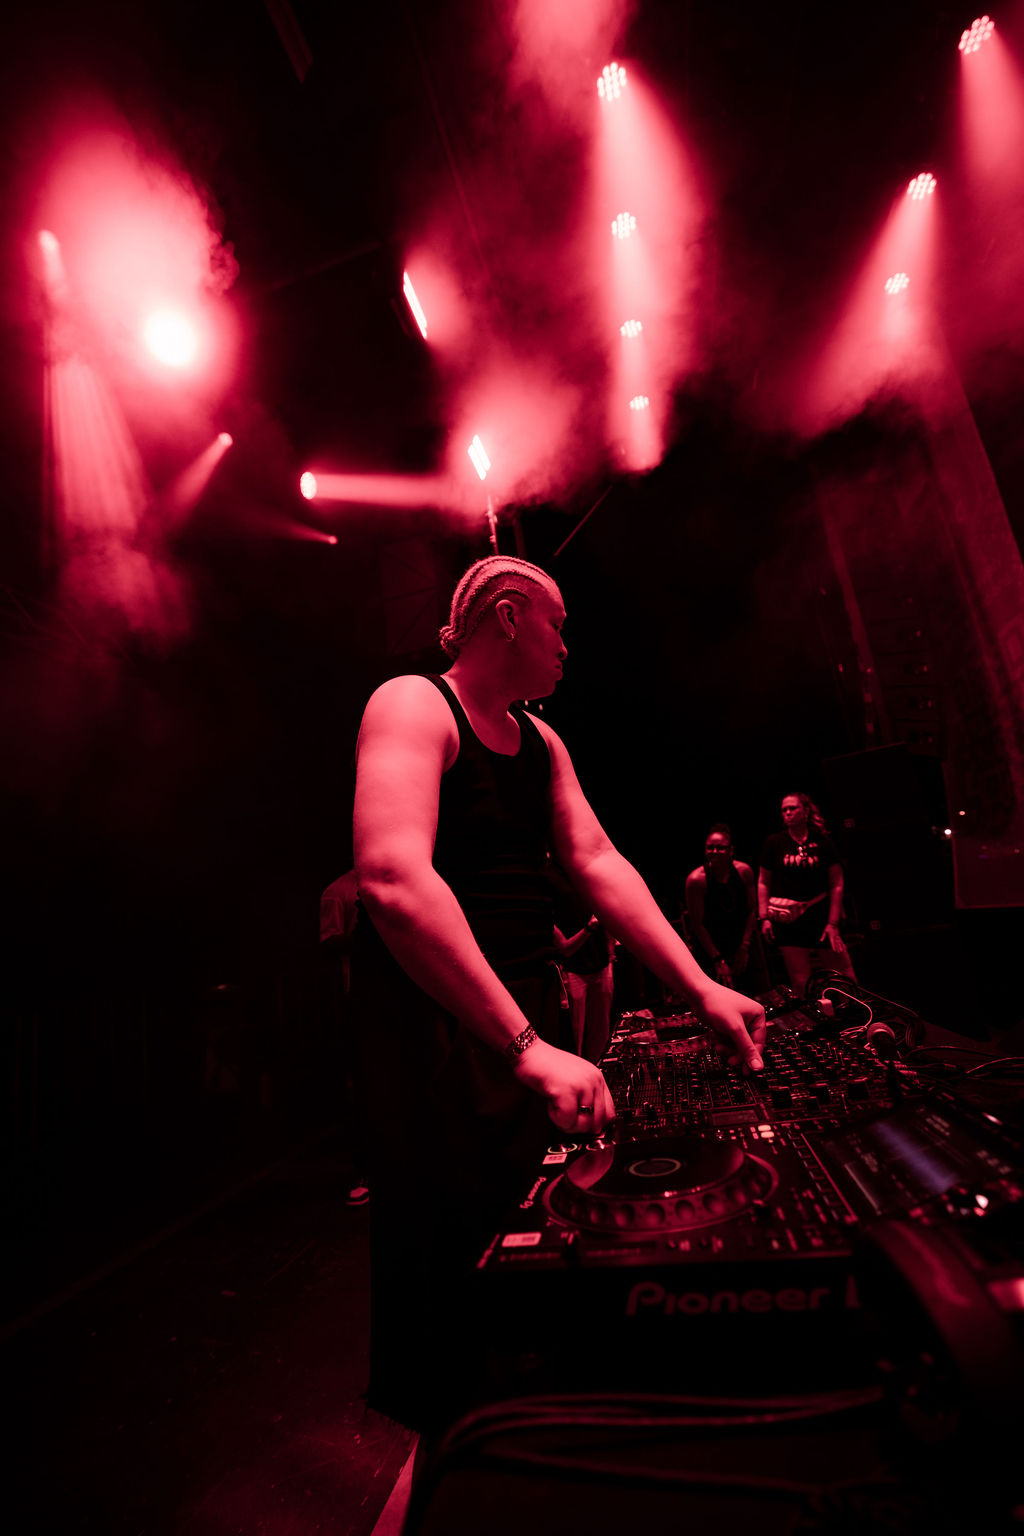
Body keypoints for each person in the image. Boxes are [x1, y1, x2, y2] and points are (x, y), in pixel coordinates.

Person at [350, 555, 765, 1429]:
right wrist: (526, 1047)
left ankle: (523, 1430)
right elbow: (390, 877)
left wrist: (700, 989)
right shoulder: (413, 703)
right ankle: (450, 1447)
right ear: (509, 616)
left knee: (526, 1238)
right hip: (438, 1016)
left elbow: (598, 862)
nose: (568, 647)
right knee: (444, 1247)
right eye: (558, 625)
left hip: (524, 1010)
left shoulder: (542, 742)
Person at [758, 791, 856, 996]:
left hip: (820, 916)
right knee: (800, 980)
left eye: (792, 808)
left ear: (805, 810)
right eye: (784, 810)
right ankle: (811, 1013)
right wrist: (764, 917)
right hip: (788, 920)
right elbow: (763, 882)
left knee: (844, 974)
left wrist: (833, 923)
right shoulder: (774, 842)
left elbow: (836, 883)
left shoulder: (822, 841)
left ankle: (855, 1010)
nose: (787, 813)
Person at [549, 858, 616, 1063]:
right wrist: (589, 928)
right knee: (575, 1038)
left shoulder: (584, 870)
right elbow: (564, 948)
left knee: (601, 1034)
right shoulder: (550, 876)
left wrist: (610, 954)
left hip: (601, 964)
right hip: (573, 969)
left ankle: (601, 1072)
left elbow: (605, 912)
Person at [684, 823, 757, 987]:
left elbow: (752, 910)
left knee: (751, 992)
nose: (714, 852)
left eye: (720, 848)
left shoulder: (744, 872)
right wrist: (717, 960)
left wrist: (744, 947)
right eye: (710, 848)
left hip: (740, 943)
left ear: (731, 850)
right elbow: (697, 924)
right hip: (710, 947)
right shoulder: (696, 880)